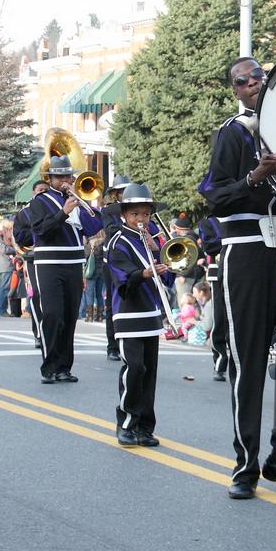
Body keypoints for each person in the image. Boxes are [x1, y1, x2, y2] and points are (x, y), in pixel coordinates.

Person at [198, 55, 276, 500]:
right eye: (243, 80)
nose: (253, 83)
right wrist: (255, 177)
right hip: (248, 254)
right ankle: (245, 464)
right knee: (248, 362)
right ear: (235, 90)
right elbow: (214, 198)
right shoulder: (233, 133)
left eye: (259, 76)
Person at [106, 183, 174, 447]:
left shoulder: (151, 241)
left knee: (149, 373)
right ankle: (126, 423)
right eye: (135, 215)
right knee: (134, 369)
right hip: (127, 314)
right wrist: (144, 272)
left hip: (150, 313)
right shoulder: (117, 242)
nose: (141, 220)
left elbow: (168, 277)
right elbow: (122, 278)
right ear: (124, 215)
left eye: (145, 214)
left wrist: (157, 252)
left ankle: (145, 427)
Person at [28, 155, 104, 383]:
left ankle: (64, 367)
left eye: (68, 176)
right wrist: (63, 213)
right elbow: (41, 231)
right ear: (50, 178)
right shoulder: (40, 202)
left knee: (70, 317)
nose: (65, 180)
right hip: (49, 263)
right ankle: (49, 367)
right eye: (60, 176)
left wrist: (82, 202)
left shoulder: (76, 200)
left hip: (73, 263)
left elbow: (93, 227)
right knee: (52, 315)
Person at [99, 175, 131, 360]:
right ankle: (112, 346)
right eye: (122, 192)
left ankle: (130, 340)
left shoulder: (138, 211)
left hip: (133, 261)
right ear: (116, 195)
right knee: (112, 304)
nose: (125, 195)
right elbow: (111, 231)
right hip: (112, 261)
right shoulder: (108, 211)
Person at [14, 181, 49, 348]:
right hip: (33, 258)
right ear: (33, 193)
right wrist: (38, 232)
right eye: (39, 191)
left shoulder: (55, 210)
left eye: (45, 191)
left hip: (52, 258)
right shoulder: (24, 214)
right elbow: (19, 236)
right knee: (36, 295)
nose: (42, 193)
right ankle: (39, 333)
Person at [198, 215, 229, 381]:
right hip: (218, 274)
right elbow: (210, 246)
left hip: (241, 272)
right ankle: (220, 363)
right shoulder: (208, 221)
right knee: (219, 319)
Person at [0, 220, 15, 316]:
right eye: (7, 228)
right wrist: (15, 250)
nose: (9, 230)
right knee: (4, 289)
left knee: (3, 288)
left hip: (5, 266)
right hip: (5, 266)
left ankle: (1, 310)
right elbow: (3, 249)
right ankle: (1, 311)